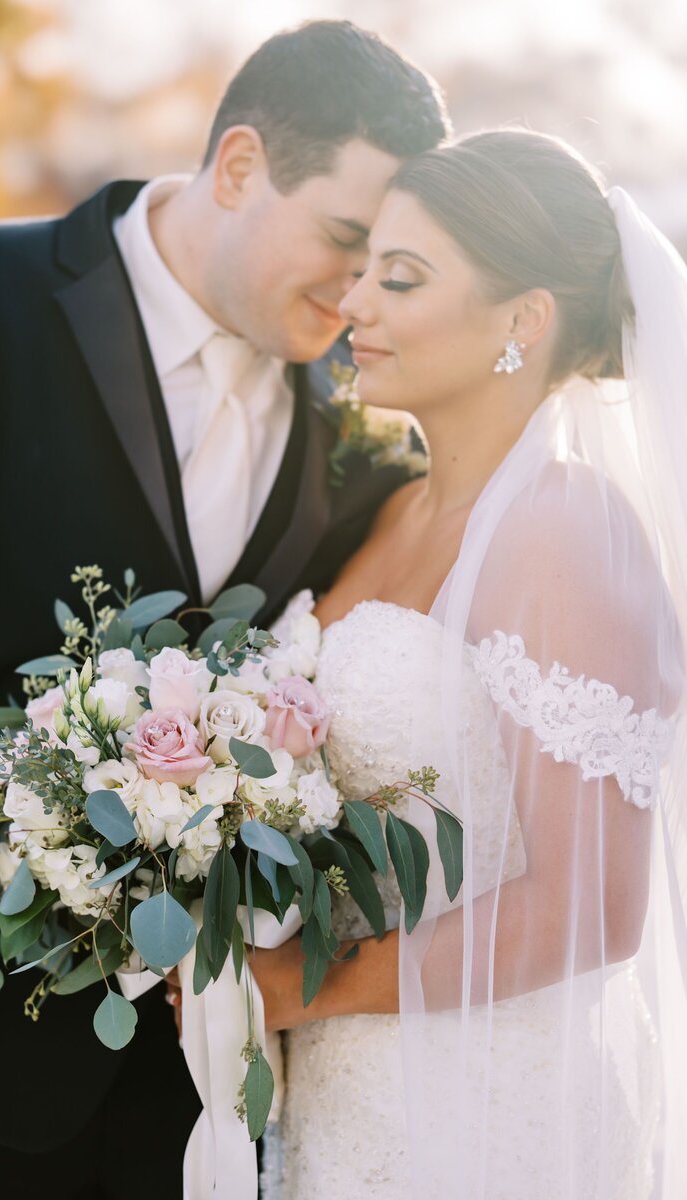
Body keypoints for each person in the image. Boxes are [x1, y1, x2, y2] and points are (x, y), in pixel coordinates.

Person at [0, 21, 448, 1196]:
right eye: (343, 242)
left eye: (386, 264)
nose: (356, 295)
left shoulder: (360, 443)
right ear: (239, 166)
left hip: (192, 1109)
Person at [241, 131, 687, 1198]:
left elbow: (589, 904)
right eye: (363, 273)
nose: (356, 306)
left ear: (521, 322)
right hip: (338, 1103)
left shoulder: (567, 530)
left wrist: (308, 987)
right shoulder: (390, 503)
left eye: (400, 279)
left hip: (486, 1120)